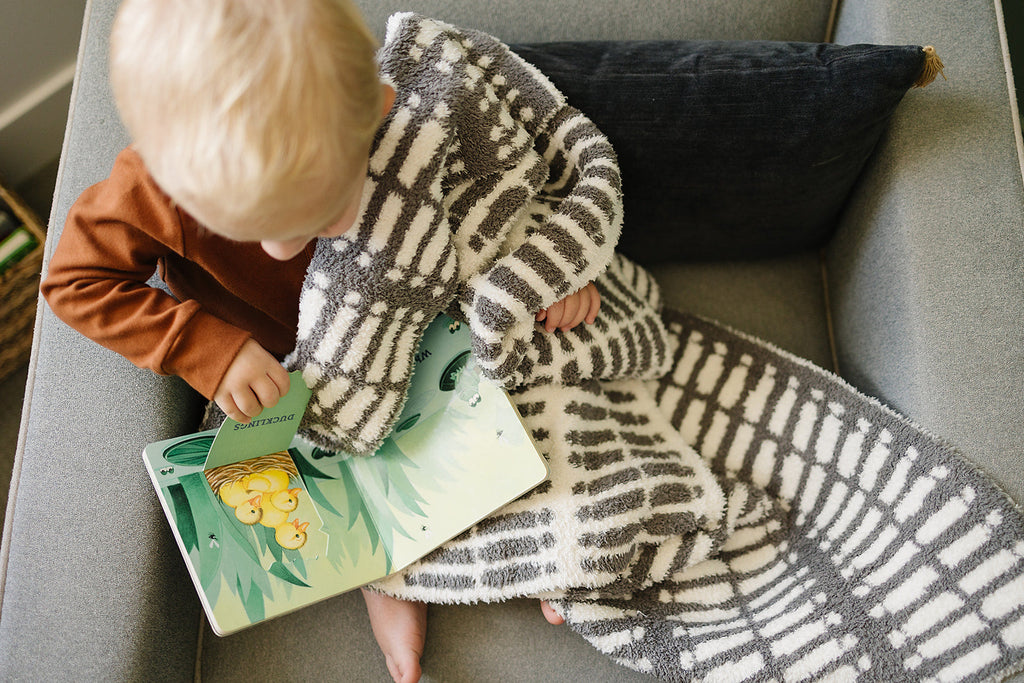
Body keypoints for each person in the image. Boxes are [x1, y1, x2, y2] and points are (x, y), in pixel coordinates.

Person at [42, 1, 598, 681]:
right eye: (296, 224)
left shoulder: (361, 99)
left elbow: (480, 202)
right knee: (341, 488)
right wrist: (203, 348)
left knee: (514, 404)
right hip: (295, 374)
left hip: (419, 315)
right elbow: (72, 281)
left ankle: (534, 545)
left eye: (344, 187)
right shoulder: (151, 193)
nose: (339, 224)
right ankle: (390, 580)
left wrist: (545, 270)